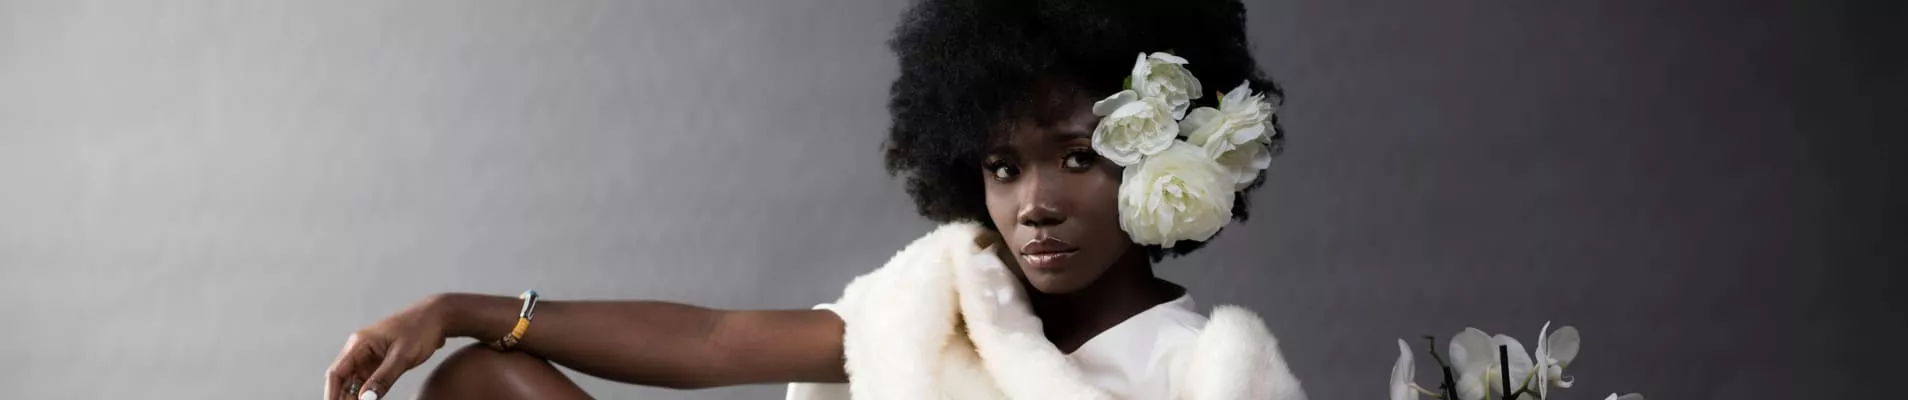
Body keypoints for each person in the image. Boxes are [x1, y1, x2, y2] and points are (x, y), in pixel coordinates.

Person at [323, 0, 1305, 399]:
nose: (1034, 203)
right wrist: (454, 308)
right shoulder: (956, 296)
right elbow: (713, 342)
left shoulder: (1201, 368)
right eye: (1003, 167)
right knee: (486, 379)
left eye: (1077, 158)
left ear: (1160, 160)